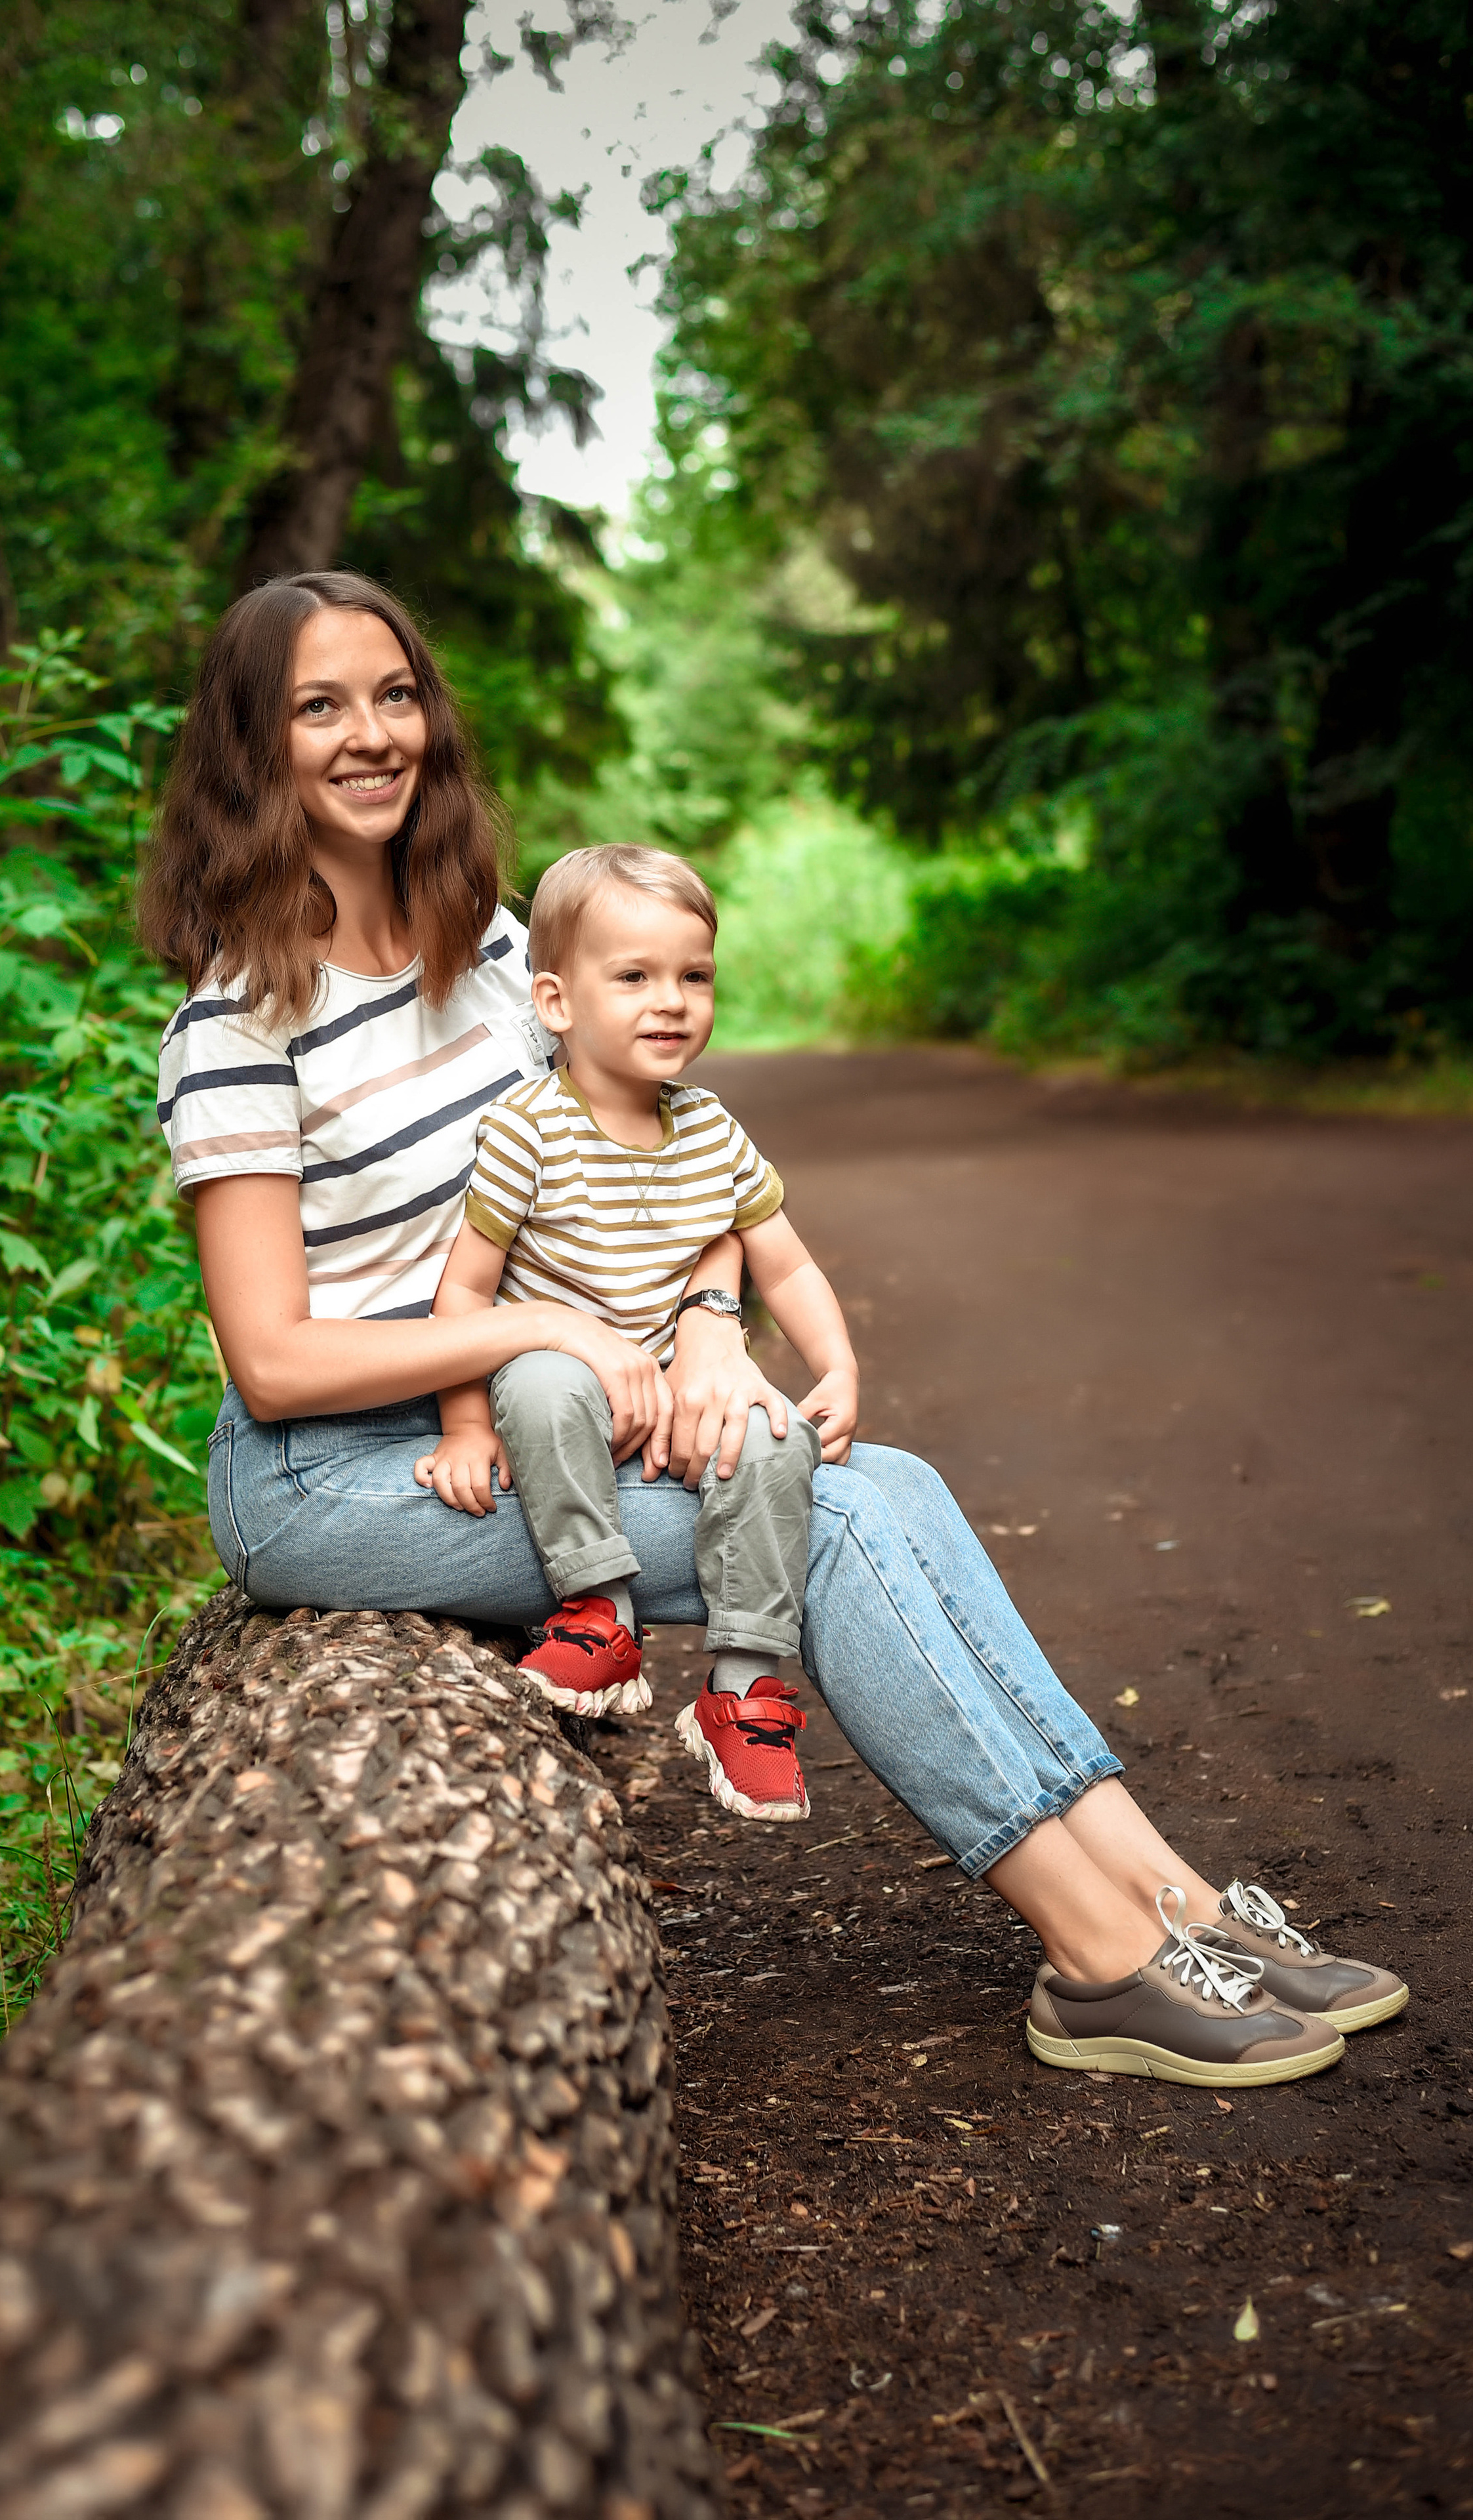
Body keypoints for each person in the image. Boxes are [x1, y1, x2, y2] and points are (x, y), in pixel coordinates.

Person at [142, 568, 1408, 2088]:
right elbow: (270, 1357)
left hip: (535, 1398)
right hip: (332, 1477)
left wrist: (702, 1324)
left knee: (900, 1484)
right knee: (820, 1525)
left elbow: (634, 1168)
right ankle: (1098, 1961)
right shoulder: (235, 1023)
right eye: (318, 706)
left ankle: (1178, 1903)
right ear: (249, 746)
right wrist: (531, 1334)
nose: (370, 735)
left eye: (394, 694)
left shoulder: (492, 959)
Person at [421, 840, 858, 1823]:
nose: (672, 1000)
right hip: (563, 1384)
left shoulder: (710, 1131)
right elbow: (465, 1298)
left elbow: (783, 1263)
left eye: (694, 976)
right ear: (557, 1002)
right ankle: (599, 1613)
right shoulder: (526, 1128)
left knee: (776, 1436)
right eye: (635, 977)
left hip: (675, 1391)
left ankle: (742, 1686)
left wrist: (836, 1364)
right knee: (538, 1380)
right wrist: (464, 1428)